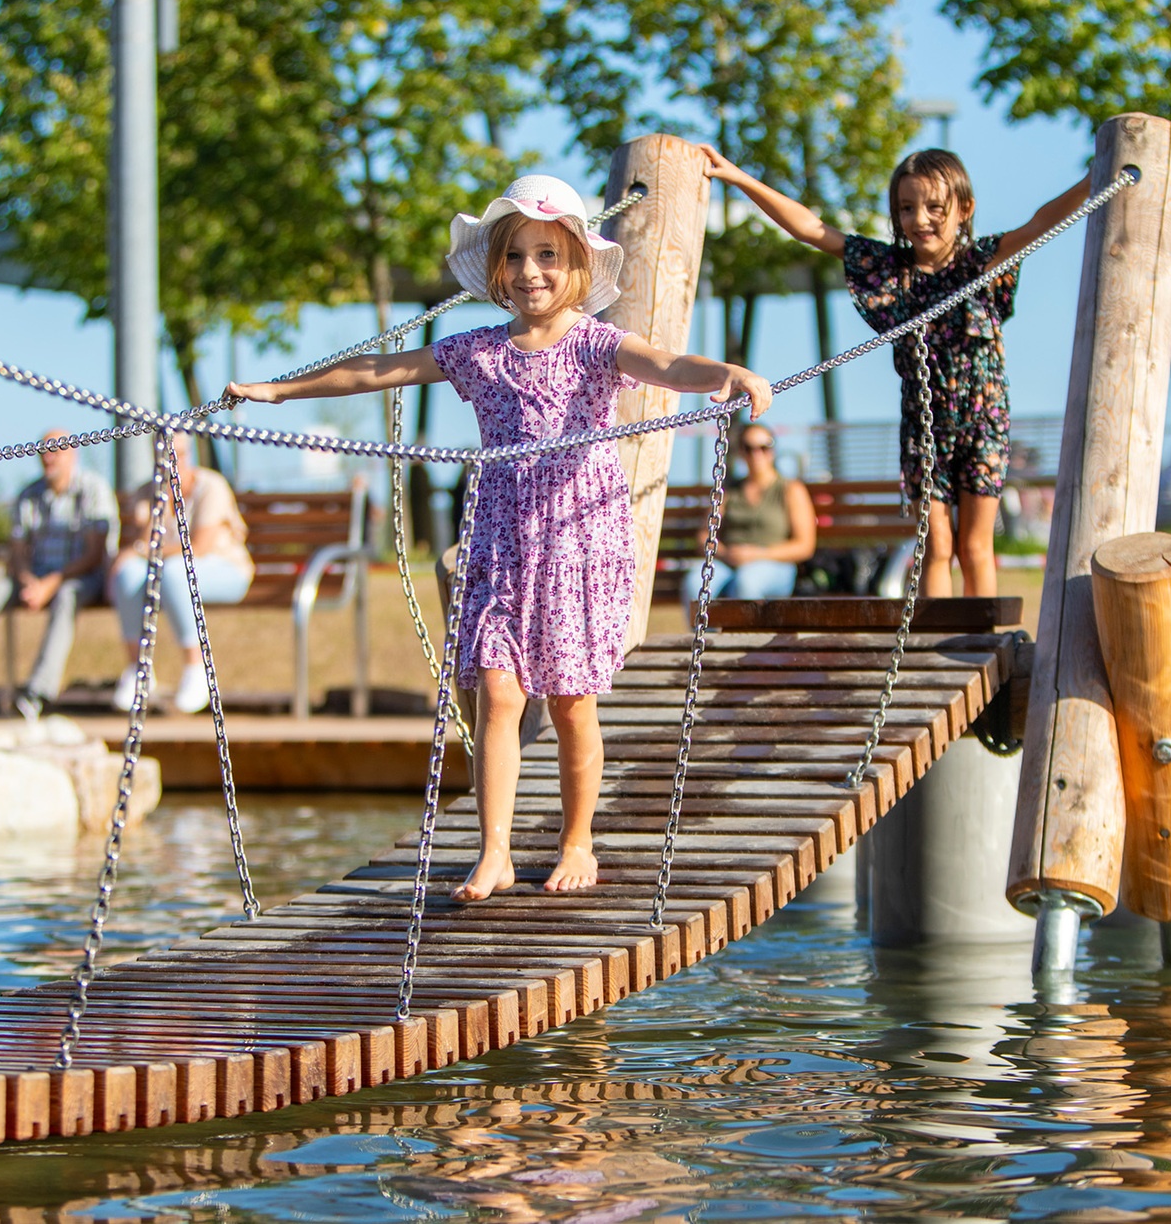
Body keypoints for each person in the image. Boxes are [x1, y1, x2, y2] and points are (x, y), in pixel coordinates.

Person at [227, 174, 771, 901]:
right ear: (497, 270)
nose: (530, 272)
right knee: (497, 690)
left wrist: (726, 373)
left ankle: (577, 840)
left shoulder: (596, 346)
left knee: (574, 700)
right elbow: (380, 369)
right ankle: (495, 851)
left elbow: (668, 366)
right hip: (503, 542)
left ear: (577, 263)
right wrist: (280, 390)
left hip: (576, 541)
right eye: (515, 257)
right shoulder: (479, 352)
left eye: (546, 255)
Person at [704, 146, 1091, 598]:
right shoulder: (891, 270)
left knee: (975, 545)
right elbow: (811, 228)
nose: (920, 219)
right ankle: (938, 646)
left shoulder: (983, 262)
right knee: (936, 543)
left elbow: (1041, 223)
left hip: (983, 422)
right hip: (924, 425)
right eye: (907, 208)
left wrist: (1091, 180)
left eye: (934, 208)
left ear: (964, 209)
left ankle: (984, 641)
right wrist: (739, 179)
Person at [0, 433, 118, 724]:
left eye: (56, 450)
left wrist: (50, 584)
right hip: (32, 577)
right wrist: (29, 580)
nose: (48, 457)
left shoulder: (93, 489)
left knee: (67, 597)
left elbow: (94, 554)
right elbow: (17, 551)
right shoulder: (29, 494)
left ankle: (37, 694)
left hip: (79, 576)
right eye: (43, 451)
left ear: (73, 453)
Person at [111, 430, 253, 714]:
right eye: (164, 455)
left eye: (178, 454)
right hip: (168, 575)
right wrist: (158, 506)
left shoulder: (211, 486)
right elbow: (145, 542)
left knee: (176, 571)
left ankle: (195, 667)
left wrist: (142, 551)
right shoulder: (146, 492)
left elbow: (198, 547)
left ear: (189, 454)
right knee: (126, 573)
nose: (171, 461)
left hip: (225, 570)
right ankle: (138, 670)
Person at [681, 423, 816, 601]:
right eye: (749, 448)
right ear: (741, 452)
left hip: (775, 565)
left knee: (747, 582)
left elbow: (804, 546)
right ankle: (706, 629)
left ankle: (747, 630)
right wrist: (726, 553)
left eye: (763, 448)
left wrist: (758, 554)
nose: (756, 454)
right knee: (694, 582)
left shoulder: (790, 489)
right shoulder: (728, 491)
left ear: (773, 451)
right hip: (728, 564)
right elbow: (704, 537)